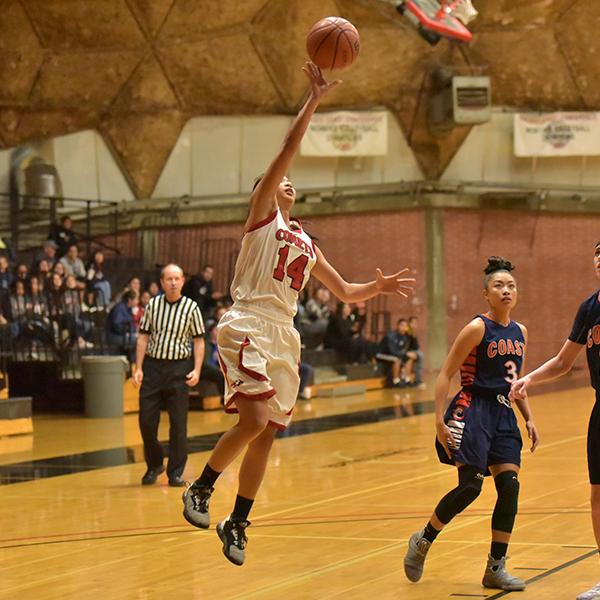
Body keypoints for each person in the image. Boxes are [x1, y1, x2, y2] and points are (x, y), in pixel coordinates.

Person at [181, 62, 415, 567]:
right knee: (255, 418)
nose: (287, 182)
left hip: (284, 335)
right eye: (278, 179)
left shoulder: (307, 243)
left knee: (266, 431)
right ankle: (200, 489)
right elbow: (286, 150)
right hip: (246, 321)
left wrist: (378, 285)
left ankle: (237, 521)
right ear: (263, 189)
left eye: (290, 182)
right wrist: (313, 99)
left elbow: (347, 291)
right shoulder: (262, 217)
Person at [403, 256, 539, 591]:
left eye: (511, 285)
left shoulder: (520, 332)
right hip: (473, 409)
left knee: (510, 487)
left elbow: (514, 381)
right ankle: (423, 539)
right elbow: (446, 372)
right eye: (498, 285)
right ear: (486, 294)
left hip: (504, 413)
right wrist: (438, 419)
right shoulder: (477, 328)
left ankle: (495, 567)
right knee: (470, 487)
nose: (506, 290)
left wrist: (529, 417)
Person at [510, 241, 600, 600]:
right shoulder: (589, 308)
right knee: (598, 494)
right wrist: (528, 379)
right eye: (597, 252)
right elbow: (564, 362)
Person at [133, 264, 205, 487]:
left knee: (178, 424)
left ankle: (175, 472)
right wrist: (138, 367)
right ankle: (154, 464)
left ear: (183, 281)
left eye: (177, 278)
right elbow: (143, 337)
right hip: (154, 368)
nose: (173, 282)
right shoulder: (153, 306)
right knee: (146, 421)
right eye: (169, 279)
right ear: (162, 282)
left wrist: (197, 369)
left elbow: (199, 340)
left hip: (179, 369)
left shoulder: (192, 307)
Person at [379, 317, 418, 386]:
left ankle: (407, 380)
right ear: (398, 326)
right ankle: (396, 381)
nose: (404, 327)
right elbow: (393, 351)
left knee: (409, 359)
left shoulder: (405, 337)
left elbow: (406, 349)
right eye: (402, 325)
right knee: (397, 359)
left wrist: (408, 354)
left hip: (395, 354)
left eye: (405, 326)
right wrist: (406, 353)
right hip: (383, 354)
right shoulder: (391, 335)